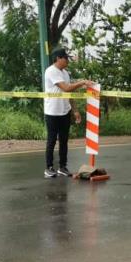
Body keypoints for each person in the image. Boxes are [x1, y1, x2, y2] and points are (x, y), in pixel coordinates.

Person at [43, 48, 92, 178]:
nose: (67, 60)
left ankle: (62, 167)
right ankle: (49, 168)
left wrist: (75, 110)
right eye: (65, 58)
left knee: (64, 140)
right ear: (58, 59)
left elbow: (69, 93)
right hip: (52, 112)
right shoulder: (51, 71)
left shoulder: (65, 73)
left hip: (64, 111)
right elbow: (66, 88)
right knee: (52, 140)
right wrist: (82, 82)